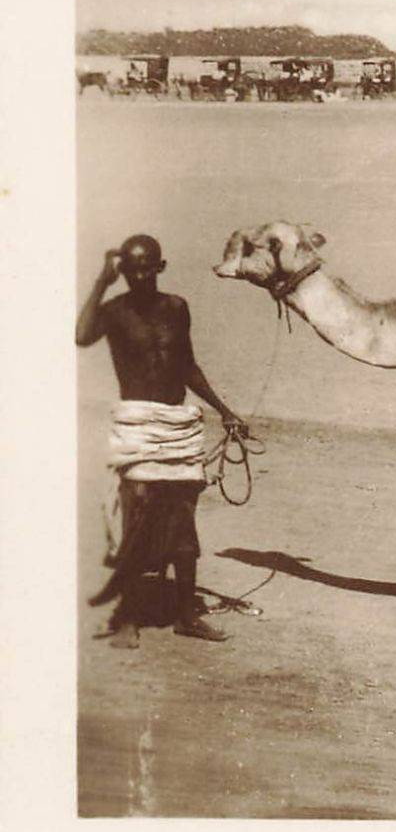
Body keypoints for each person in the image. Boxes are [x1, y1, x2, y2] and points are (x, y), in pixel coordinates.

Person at [77, 234, 246, 647]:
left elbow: (186, 366)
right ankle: (129, 618)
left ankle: (188, 615)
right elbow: (81, 335)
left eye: (145, 267)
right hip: (138, 426)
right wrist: (102, 278)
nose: (137, 275)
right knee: (135, 521)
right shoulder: (114, 312)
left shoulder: (176, 308)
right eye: (129, 269)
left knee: (184, 525)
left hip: (177, 426)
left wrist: (226, 411)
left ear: (160, 267)